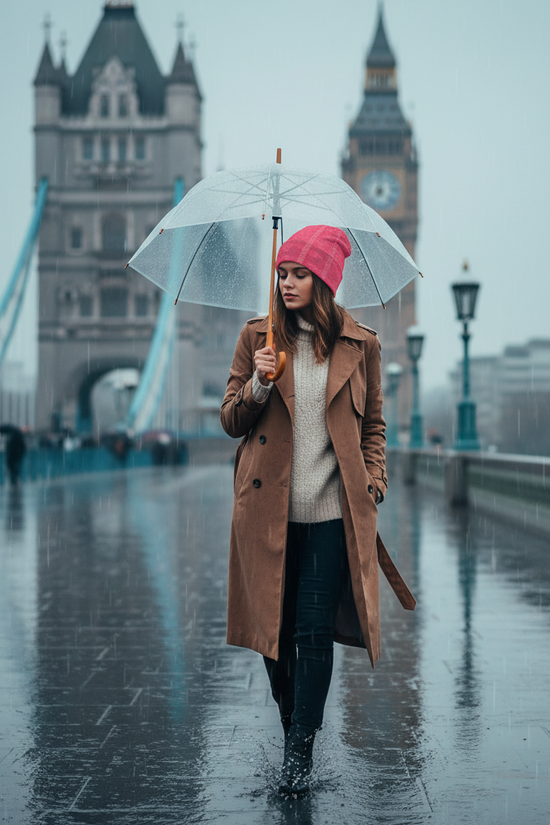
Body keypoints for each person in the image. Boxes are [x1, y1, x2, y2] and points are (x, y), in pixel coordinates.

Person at [220, 225, 415, 796]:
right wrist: (258, 381)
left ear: (324, 281)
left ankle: (298, 753)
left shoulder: (363, 346)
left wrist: (373, 481)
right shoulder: (256, 338)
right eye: (282, 272)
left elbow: (374, 426)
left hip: (332, 514)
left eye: (299, 274)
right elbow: (230, 420)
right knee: (273, 637)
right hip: (264, 514)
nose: (286, 283)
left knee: (312, 632)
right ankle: (292, 725)